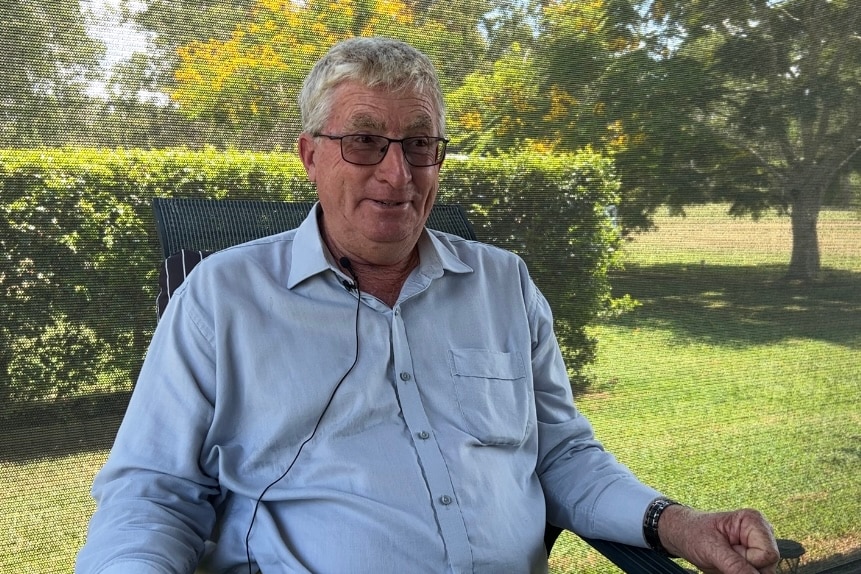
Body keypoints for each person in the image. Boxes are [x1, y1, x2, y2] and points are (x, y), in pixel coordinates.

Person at [77, 37, 779, 574]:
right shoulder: (222, 297)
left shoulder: (502, 283)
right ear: (309, 155)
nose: (397, 173)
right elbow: (152, 491)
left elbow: (562, 455)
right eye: (363, 142)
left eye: (420, 144)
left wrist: (676, 522)